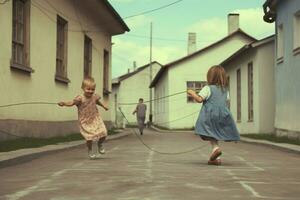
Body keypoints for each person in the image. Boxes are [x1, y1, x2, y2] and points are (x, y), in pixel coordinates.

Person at [187, 65, 240, 165]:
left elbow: (199, 99)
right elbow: (227, 102)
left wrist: (191, 93)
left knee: (207, 131)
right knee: (214, 133)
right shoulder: (225, 90)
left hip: (210, 115)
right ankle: (216, 158)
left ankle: (216, 148)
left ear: (210, 77)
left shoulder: (207, 88)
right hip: (223, 114)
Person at [58, 76, 109, 159]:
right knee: (89, 138)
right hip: (85, 120)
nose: (90, 91)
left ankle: (100, 144)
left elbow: (97, 102)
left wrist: (104, 106)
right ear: (83, 88)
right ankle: (90, 150)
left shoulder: (94, 96)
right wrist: (64, 103)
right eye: (88, 89)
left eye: (93, 89)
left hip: (95, 118)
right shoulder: (80, 98)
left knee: (104, 132)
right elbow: (72, 103)